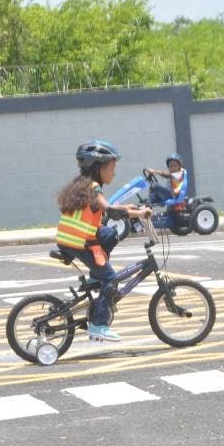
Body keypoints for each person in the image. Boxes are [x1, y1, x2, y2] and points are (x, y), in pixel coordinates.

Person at [55, 140, 151, 341]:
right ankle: (98, 324)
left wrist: (134, 209)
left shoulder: (84, 186)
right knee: (112, 279)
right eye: (111, 168)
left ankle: (95, 276)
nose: (113, 173)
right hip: (79, 243)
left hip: (73, 239)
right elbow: (111, 210)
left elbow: (112, 208)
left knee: (108, 233)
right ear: (98, 168)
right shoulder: (94, 188)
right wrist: (139, 213)